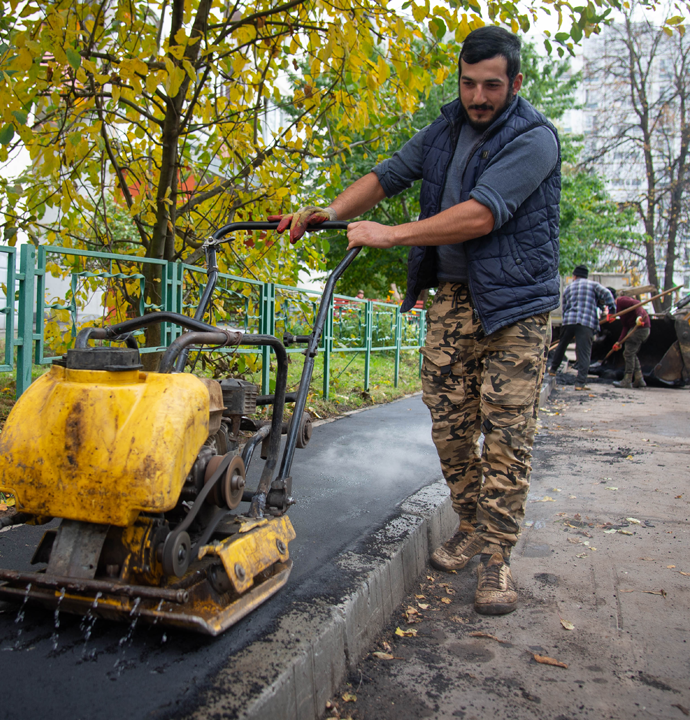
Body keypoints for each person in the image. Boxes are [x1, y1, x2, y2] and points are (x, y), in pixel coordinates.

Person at [268, 26, 560, 615]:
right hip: (453, 299)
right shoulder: (445, 129)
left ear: (516, 83)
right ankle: (474, 523)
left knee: (506, 437)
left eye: (492, 86)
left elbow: (482, 215)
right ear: (459, 78)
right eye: (469, 83)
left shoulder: (535, 139)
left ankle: (496, 562)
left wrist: (389, 235)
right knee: (451, 429)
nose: (479, 96)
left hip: (516, 309)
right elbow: (386, 175)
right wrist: (326, 212)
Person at [547, 266, 615, 390]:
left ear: (575, 276)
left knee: (561, 346)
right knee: (584, 353)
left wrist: (567, 321)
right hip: (586, 323)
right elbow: (607, 294)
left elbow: (565, 307)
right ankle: (580, 383)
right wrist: (612, 309)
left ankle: (552, 370)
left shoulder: (569, 288)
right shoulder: (593, 285)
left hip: (569, 321)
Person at [610, 294, 651, 389]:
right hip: (636, 329)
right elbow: (625, 326)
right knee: (631, 353)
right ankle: (639, 379)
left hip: (641, 328)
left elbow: (637, 304)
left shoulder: (621, 301)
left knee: (628, 354)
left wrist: (639, 317)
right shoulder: (620, 311)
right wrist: (619, 342)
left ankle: (627, 380)